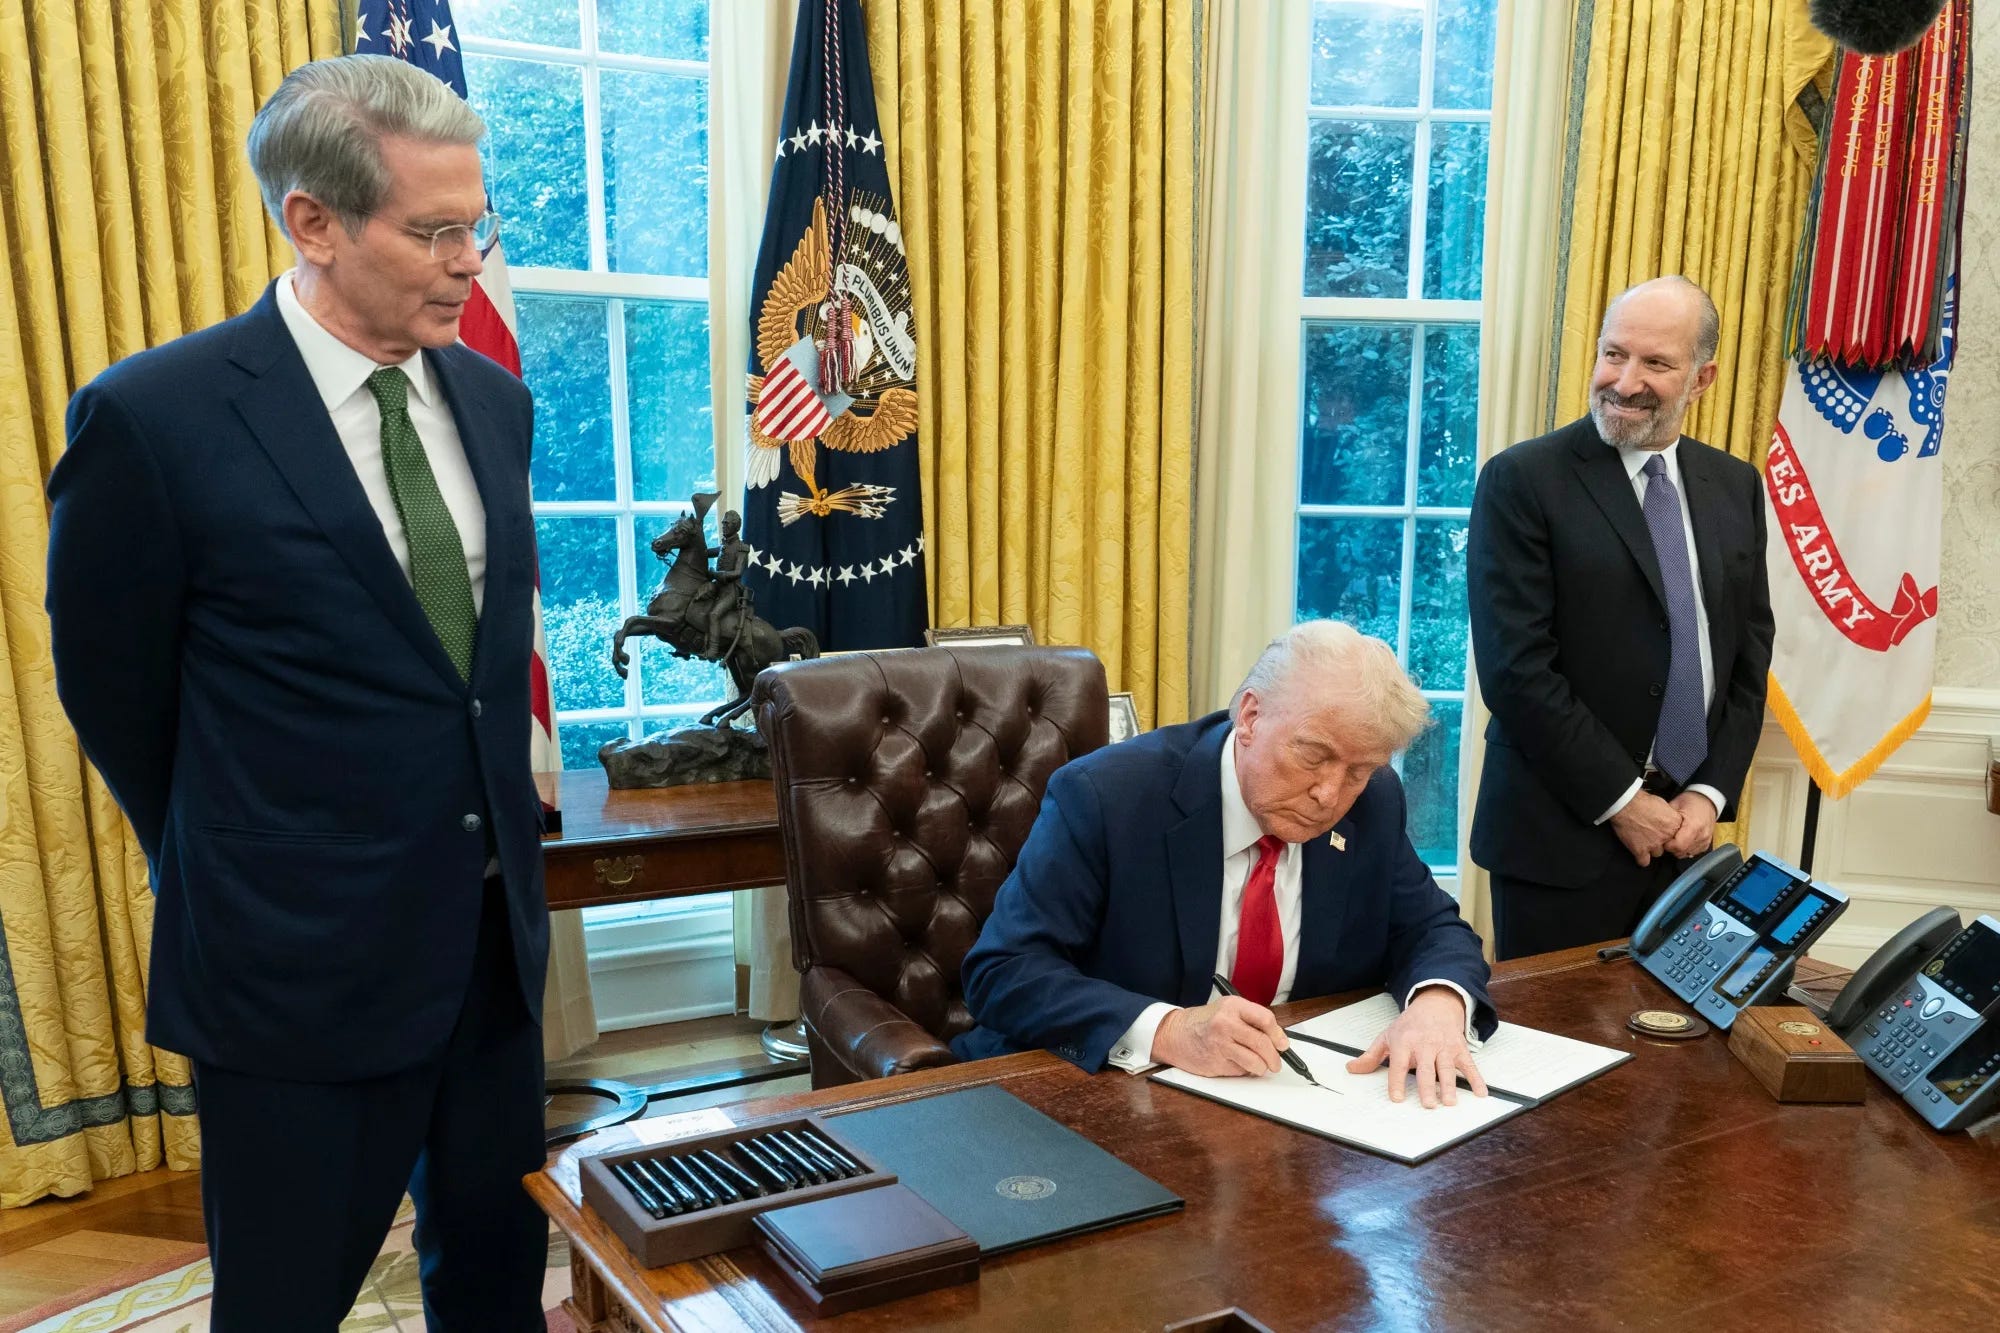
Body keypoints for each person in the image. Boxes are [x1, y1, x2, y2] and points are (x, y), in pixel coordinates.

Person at [45, 55, 548, 1331]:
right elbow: (116, 694)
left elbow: (474, 680)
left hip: (489, 948)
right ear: (312, 222)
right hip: (295, 963)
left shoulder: (495, 403)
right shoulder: (154, 419)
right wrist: (246, 858)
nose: (468, 263)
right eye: (433, 233)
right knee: (284, 1300)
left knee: (494, 1274)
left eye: (476, 226)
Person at [953, 621, 1495, 1108]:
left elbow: (1432, 928)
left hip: (1300, 1102)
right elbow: (1004, 972)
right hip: (1103, 1095)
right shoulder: (1107, 797)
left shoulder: (1374, 802)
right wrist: (1168, 1030)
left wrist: (1438, 1003)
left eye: (1358, 771)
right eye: (1314, 756)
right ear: (1251, 717)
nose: (1330, 795)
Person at [1466, 276, 1774, 961]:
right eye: (1614, 354)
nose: (1624, 381)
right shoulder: (1522, 480)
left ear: (1702, 379)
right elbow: (1516, 672)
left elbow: (1749, 657)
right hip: (1560, 841)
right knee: (1557, 1031)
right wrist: (1623, 801)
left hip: (1686, 840)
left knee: (1672, 1030)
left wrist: (1709, 793)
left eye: (1655, 363)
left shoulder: (1735, 485)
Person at [698, 509, 751, 659]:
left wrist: (716, 574)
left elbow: (738, 572)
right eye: (723, 523)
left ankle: (713, 650)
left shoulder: (742, 548)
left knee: (714, 615)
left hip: (730, 590)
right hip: (718, 586)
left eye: (727, 524)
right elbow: (705, 552)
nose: (723, 526)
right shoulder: (723, 546)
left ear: (735, 526)